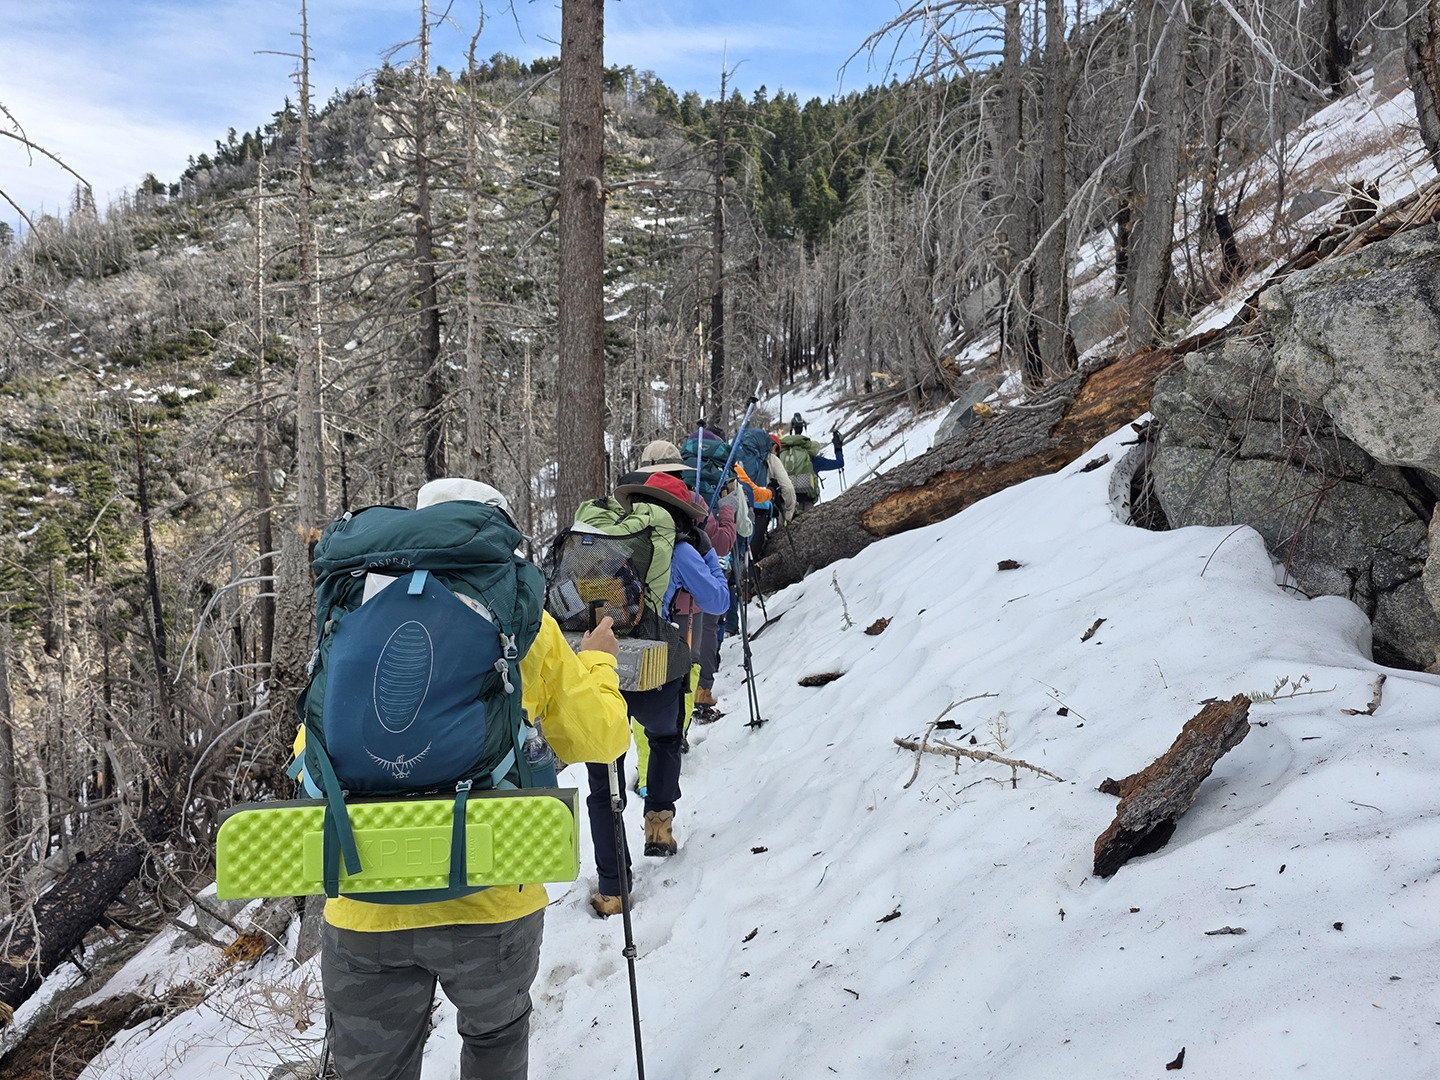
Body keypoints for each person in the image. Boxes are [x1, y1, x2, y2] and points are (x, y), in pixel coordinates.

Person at [319, 477, 630, 1080]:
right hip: (490, 889)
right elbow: (601, 737)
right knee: (494, 1044)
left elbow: (316, 747)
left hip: (364, 894)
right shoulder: (520, 618)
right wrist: (598, 660)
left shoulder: (351, 611)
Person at [586, 470, 729, 917]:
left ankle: (613, 887)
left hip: (601, 662)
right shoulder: (680, 548)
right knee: (665, 737)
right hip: (652, 665)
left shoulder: (604, 542)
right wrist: (708, 556)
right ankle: (659, 828)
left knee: (603, 773)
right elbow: (717, 601)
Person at [777, 419, 844, 514]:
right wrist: (838, 448)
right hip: (806, 502)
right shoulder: (814, 460)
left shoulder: (780, 459)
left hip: (785, 504)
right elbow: (839, 463)